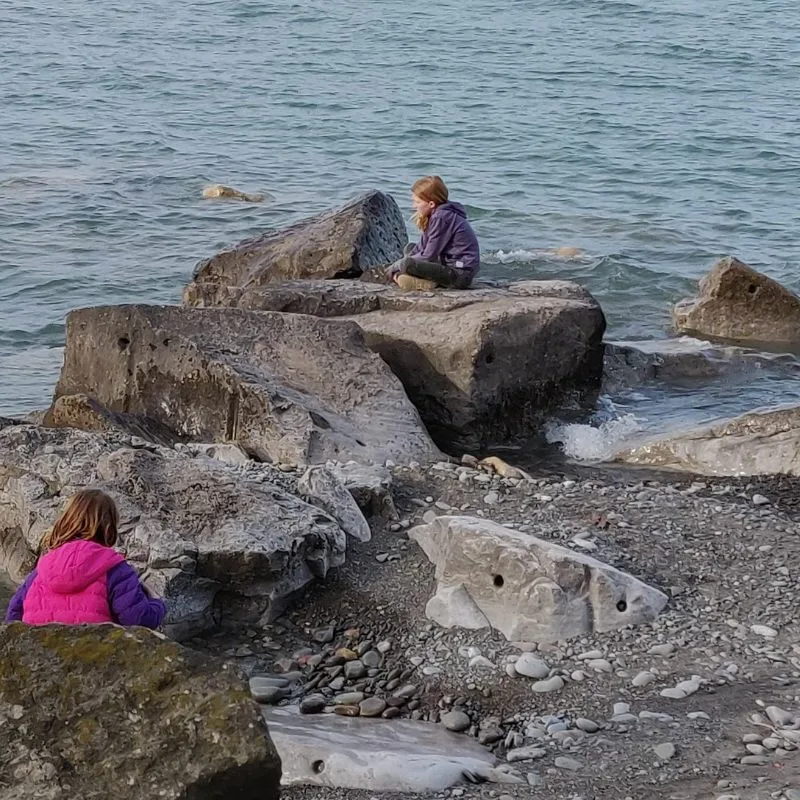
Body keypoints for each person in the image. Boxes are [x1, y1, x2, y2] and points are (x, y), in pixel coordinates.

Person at [4, 489, 166, 628]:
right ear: (109, 529)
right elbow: (137, 620)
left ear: (65, 522)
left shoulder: (41, 570)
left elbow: (13, 616)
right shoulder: (115, 569)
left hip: (39, 657)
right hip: (92, 658)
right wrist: (157, 603)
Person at [387, 175, 480, 290]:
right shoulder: (435, 215)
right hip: (446, 263)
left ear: (431, 204)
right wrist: (400, 264)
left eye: (417, 202)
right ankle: (415, 277)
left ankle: (427, 283)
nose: (413, 206)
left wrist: (398, 265)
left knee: (407, 264)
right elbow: (421, 248)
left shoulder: (442, 218)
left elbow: (429, 255)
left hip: (459, 274)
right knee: (410, 248)